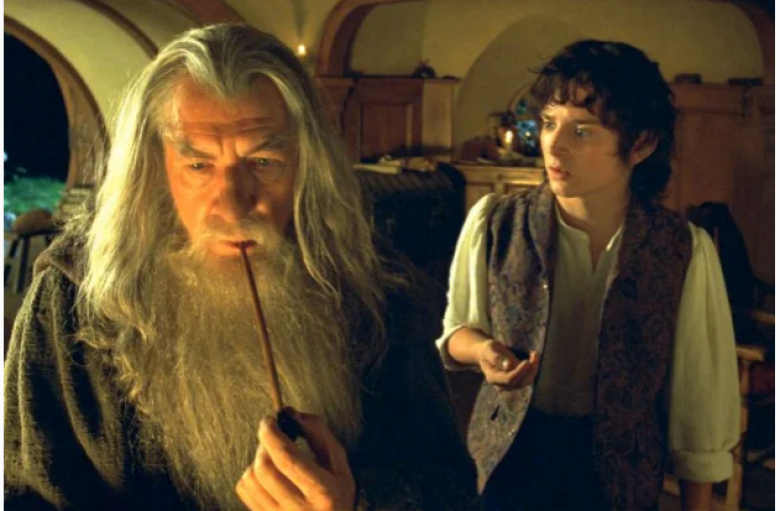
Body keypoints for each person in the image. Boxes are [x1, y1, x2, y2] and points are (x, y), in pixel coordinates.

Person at [4, 24, 479, 511]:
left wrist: (359, 502)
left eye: (264, 162)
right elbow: (26, 495)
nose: (233, 207)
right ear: (153, 170)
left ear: (308, 164)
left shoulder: (375, 290)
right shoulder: (71, 296)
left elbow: (451, 492)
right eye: (198, 166)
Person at [437, 40, 740, 511]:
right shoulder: (495, 222)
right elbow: (457, 331)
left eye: (582, 131)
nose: (553, 145)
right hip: (512, 464)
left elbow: (698, 405)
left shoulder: (681, 248)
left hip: (618, 480)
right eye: (549, 123)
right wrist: (483, 351)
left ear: (641, 145)